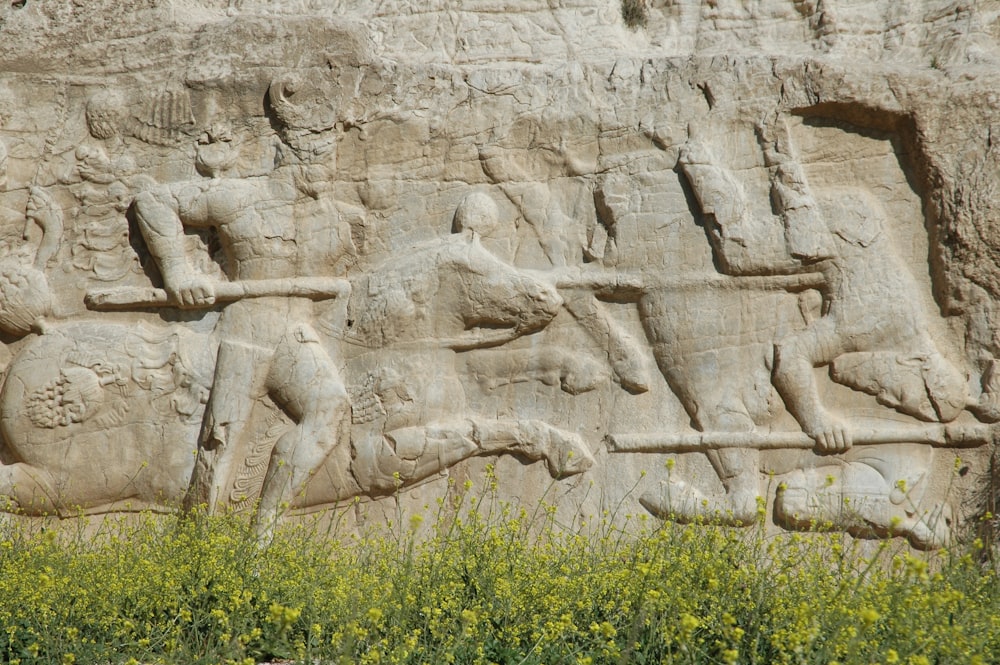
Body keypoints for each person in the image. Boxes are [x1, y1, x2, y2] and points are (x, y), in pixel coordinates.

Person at [133, 123, 353, 539]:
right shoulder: (241, 196)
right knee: (223, 437)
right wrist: (177, 271)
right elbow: (153, 199)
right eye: (319, 160)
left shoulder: (328, 216)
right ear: (291, 158)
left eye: (330, 160)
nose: (327, 171)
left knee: (331, 407)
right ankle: (198, 541)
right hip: (247, 329)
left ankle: (263, 531)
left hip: (295, 332)